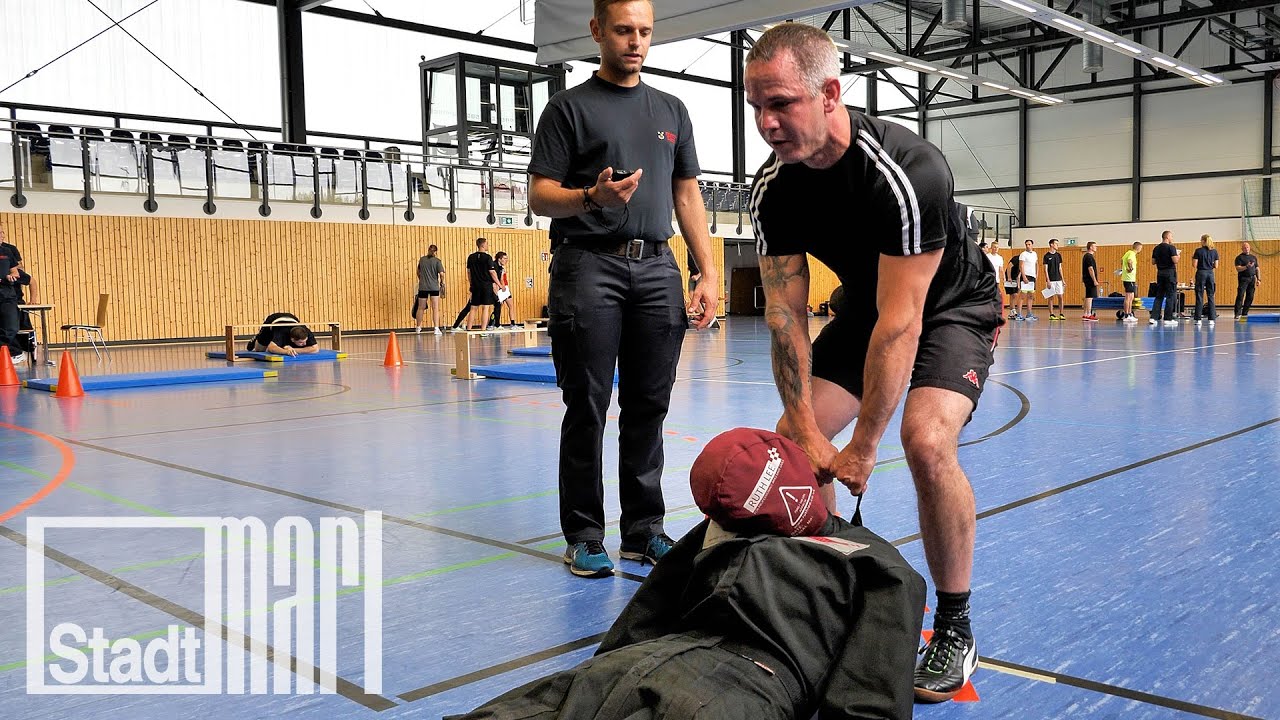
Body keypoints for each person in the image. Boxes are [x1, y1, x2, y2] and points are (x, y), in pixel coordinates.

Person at [745, 23, 999, 702]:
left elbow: (904, 323)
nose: (767, 124)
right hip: (866, 307)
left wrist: (862, 446)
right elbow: (785, 317)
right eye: (756, 108)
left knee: (926, 439)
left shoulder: (906, 171)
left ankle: (954, 626)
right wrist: (803, 425)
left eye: (781, 105)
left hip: (951, 306)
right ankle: (830, 594)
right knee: (790, 446)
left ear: (830, 93)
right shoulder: (773, 189)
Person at [447, 428, 925, 720]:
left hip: (738, 682)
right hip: (673, 672)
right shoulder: (873, 560)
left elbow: (645, 614)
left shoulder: (873, 562)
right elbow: (870, 697)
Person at [527, 0, 720, 578]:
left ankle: (643, 530)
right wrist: (592, 198)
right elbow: (539, 195)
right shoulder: (567, 109)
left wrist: (706, 270)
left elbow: (688, 195)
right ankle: (584, 533)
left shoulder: (672, 110)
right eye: (623, 30)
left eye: (644, 32)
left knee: (649, 405)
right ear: (596, 32)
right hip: (588, 267)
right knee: (586, 404)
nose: (635, 41)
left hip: (658, 268)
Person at [0, 227, 26, 363]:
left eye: (2, 232)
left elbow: (16, 272)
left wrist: (11, 277)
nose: (1, 235)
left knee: (11, 327)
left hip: (7, 295)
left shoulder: (7, 252)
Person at [466, 237, 500, 333]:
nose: (488, 245)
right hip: (486, 286)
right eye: (487, 244)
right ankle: (483, 330)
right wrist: (499, 284)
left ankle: (468, 329)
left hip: (475, 285)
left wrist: (471, 283)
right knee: (486, 307)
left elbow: (468, 272)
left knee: (473, 308)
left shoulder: (471, 257)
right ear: (483, 245)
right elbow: (492, 272)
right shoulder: (487, 257)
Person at [248, 312, 318, 357]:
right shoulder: (281, 333)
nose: (305, 344)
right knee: (259, 349)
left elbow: (315, 349)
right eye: (301, 342)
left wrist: (293, 349)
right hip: (273, 321)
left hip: (291, 318)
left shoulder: (306, 331)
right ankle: (257, 337)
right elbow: (271, 348)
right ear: (292, 339)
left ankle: (285, 345)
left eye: (305, 341)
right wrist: (286, 352)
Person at [1149, 230, 1180, 327]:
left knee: (1159, 296)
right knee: (1170, 296)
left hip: (1160, 273)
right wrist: (1178, 255)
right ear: (1167, 237)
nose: (1172, 238)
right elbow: (1175, 260)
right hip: (1170, 273)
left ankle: (1153, 317)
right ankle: (1168, 318)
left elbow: (1153, 262)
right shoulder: (1171, 248)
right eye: (1171, 236)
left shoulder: (1156, 248)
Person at [415, 245, 445, 335]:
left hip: (423, 287)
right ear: (436, 252)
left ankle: (418, 328)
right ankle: (436, 328)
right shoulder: (437, 261)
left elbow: (418, 271)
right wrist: (442, 282)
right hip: (434, 287)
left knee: (420, 307)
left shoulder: (422, 260)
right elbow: (442, 274)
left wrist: (421, 279)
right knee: (435, 308)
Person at [1192, 234, 1219, 327]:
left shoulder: (1198, 251)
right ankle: (1211, 318)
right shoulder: (1214, 252)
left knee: (1199, 296)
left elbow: (1194, 265)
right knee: (1211, 296)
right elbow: (1216, 265)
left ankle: (1198, 319)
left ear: (1203, 241)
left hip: (1201, 273)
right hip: (1210, 274)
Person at [1234, 241, 1261, 321]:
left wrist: (1259, 279)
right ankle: (1237, 313)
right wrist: (1246, 266)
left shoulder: (1253, 257)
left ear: (1250, 248)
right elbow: (1238, 268)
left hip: (1252, 278)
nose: (1246, 249)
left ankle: (1245, 313)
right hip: (1243, 279)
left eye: (1247, 247)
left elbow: (1257, 268)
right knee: (1240, 295)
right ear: (1242, 249)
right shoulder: (1239, 258)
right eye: (1245, 248)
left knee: (1250, 296)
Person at [491, 251, 517, 327]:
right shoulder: (494, 266)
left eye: (507, 258)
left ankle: (512, 323)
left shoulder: (501, 268)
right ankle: (492, 322)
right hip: (496, 287)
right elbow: (493, 278)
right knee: (499, 305)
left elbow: (501, 279)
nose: (506, 260)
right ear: (499, 259)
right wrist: (497, 288)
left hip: (502, 287)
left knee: (511, 305)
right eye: (504, 258)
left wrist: (503, 287)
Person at [1119, 241, 1142, 323]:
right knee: (1128, 297)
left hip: (1128, 278)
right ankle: (1127, 314)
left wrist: (1124, 269)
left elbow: (1122, 260)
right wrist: (1130, 268)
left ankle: (1129, 313)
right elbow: (1129, 261)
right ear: (1138, 248)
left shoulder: (1128, 253)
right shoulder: (1132, 254)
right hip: (1129, 278)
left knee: (1131, 297)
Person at [1042, 239, 1064, 320]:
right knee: (1050, 297)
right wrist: (1047, 280)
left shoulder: (1058, 255)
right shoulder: (1046, 256)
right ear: (1051, 245)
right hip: (1050, 280)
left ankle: (1061, 313)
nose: (1057, 245)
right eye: (1056, 244)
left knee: (1060, 296)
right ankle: (1051, 314)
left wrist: (1063, 279)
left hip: (1058, 280)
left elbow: (1060, 268)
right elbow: (1045, 269)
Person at [1017, 239, 1038, 320]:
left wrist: (1036, 275)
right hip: (1026, 276)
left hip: (1032, 276)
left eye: (1029, 244)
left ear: (1032, 245)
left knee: (1031, 296)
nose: (1028, 246)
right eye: (1026, 244)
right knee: (1022, 296)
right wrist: (1024, 276)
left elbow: (1036, 264)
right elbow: (1021, 266)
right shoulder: (1023, 254)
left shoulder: (1035, 254)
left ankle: (1029, 314)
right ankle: (1019, 314)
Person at [1081, 241, 1101, 321]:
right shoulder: (1089, 257)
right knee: (1090, 297)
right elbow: (1090, 269)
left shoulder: (1086, 256)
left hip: (1087, 279)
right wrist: (1094, 280)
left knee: (1087, 296)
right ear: (1091, 247)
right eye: (1094, 246)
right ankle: (1089, 314)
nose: (1096, 247)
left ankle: (1085, 314)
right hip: (1090, 280)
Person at [982, 243, 1004, 314]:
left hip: (996, 280)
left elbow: (1001, 269)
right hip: (988, 279)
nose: (996, 249)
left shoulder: (1000, 258)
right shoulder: (987, 256)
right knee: (988, 294)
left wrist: (1003, 277)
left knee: (996, 295)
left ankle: (994, 310)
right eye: (994, 247)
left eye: (997, 247)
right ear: (991, 248)